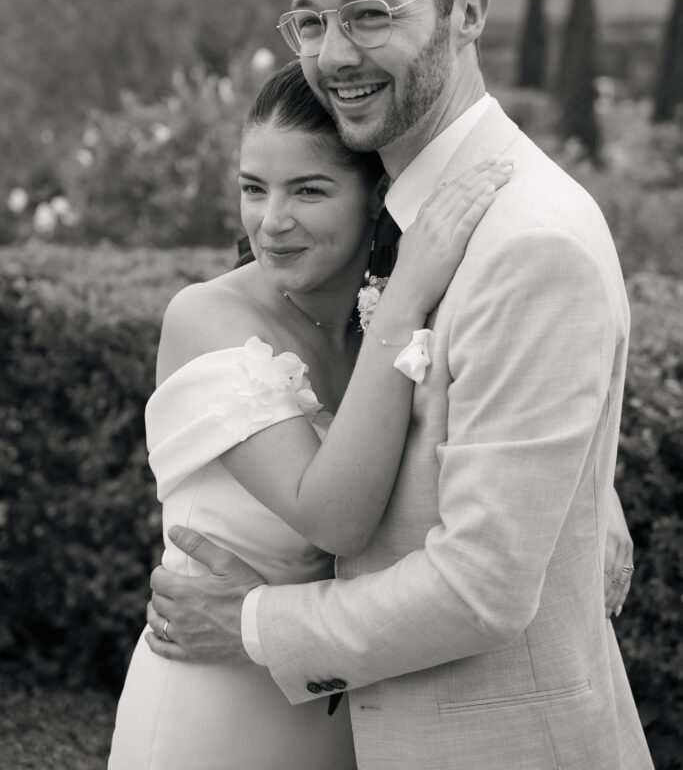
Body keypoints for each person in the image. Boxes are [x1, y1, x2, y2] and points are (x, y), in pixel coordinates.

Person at [147, 0, 652, 769]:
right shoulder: (396, 218)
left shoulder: (525, 241)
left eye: (370, 14)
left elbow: (481, 588)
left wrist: (254, 622)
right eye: (311, 20)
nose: (334, 53)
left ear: (467, 13)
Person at [108, 60, 512, 769]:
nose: (271, 221)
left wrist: (591, 491)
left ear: (376, 197)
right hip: (210, 704)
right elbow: (334, 519)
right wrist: (407, 296)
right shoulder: (207, 317)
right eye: (253, 188)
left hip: (346, 704)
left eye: (309, 190)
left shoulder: (385, 322)